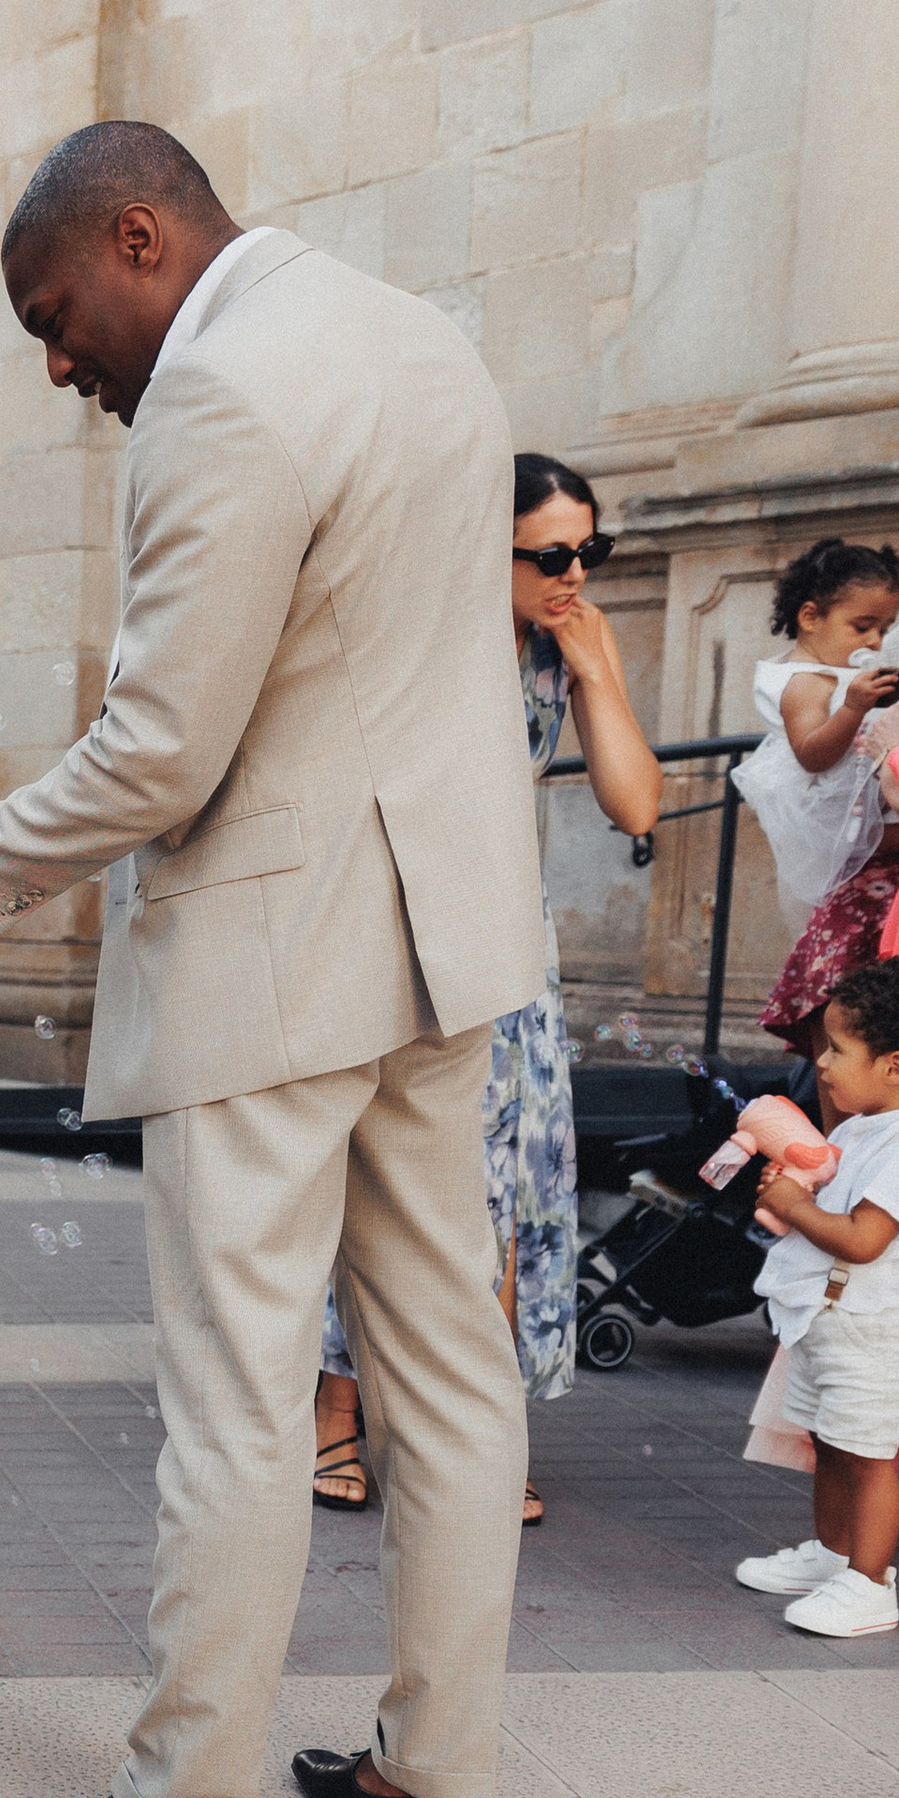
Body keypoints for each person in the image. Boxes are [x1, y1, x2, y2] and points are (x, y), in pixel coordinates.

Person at [0, 121, 545, 1798]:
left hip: (277, 962)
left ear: (143, 236)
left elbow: (162, 751)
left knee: (236, 1391)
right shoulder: (416, 338)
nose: (62, 365)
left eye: (60, 316)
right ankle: (436, 1772)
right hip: (443, 942)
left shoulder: (220, 393)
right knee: (450, 1365)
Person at [312, 456, 662, 1526]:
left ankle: (479, 1438)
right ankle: (336, 1416)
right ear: (485, 546)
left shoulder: (562, 653)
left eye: (589, 553)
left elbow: (636, 804)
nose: (574, 574)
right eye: (550, 554)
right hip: (399, 934)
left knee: (509, 1188)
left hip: (509, 946)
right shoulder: (421, 642)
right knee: (386, 1180)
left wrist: (597, 672)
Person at [732, 957, 899, 1638]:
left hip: (874, 1329)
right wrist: (794, 1199)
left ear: (894, 1066)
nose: (823, 1064)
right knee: (830, 1444)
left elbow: (864, 1239)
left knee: (868, 1457)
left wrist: (794, 1207)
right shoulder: (864, 1128)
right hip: (830, 1321)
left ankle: (869, 1586)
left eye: (838, 1049)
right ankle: (834, 1556)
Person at [753, 542, 899, 1061]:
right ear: (810, 617)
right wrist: (853, 708)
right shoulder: (805, 681)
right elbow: (812, 754)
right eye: (862, 626)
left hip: (864, 810)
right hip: (832, 821)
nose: (874, 641)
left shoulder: (847, 675)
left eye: (884, 629)